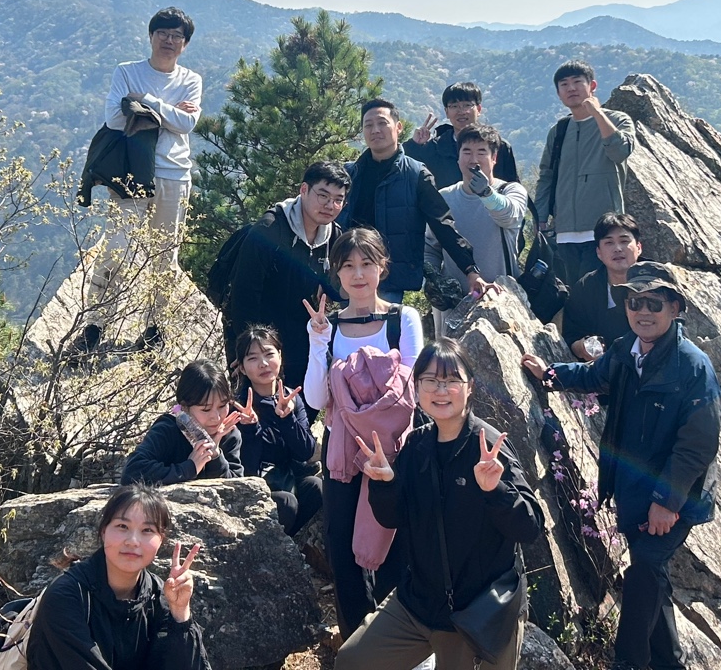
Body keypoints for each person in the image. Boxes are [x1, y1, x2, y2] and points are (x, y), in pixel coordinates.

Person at [521, 262, 721, 670]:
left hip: (674, 496)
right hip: (632, 490)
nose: (642, 311)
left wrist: (666, 501)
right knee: (651, 575)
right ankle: (669, 663)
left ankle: (627, 662)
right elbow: (594, 375)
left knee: (644, 569)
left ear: (675, 308)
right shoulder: (627, 349)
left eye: (653, 303)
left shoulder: (692, 366)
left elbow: (697, 444)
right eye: (634, 302)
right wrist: (551, 375)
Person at [337, 339, 543, 670]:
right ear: (417, 387)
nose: (441, 390)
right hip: (417, 603)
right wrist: (385, 484)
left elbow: (530, 527)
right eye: (430, 380)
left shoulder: (487, 447)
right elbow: (393, 518)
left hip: (475, 614)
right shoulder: (417, 445)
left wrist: (495, 491)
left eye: (451, 380)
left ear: (470, 387)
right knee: (353, 661)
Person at [304, 227, 421, 638]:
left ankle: (397, 638)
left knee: (394, 539)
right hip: (342, 450)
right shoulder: (329, 325)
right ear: (336, 272)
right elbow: (316, 397)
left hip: (394, 448)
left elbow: (411, 389)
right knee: (340, 542)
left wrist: (354, 403)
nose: (358, 274)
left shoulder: (402, 319)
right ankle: (357, 640)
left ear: (382, 267)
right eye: (348, 265)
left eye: (366, 263)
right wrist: (318, 341)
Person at [26, 483, 213, 670]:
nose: (133, 541)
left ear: (160, 540)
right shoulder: (67, 595)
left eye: (147, 530)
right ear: (103, 531)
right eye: (122, 526)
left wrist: (180, 612)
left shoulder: (158, 596)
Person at [99, 8, 202, 339]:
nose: (169, 40)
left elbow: (187, 123)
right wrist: (169, 113)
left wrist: (144, 102)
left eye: (176, 36)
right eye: (163, 33)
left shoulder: (190, 80)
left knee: (164, 256)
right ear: (151, 36)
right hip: (131, 171)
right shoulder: (127, 72)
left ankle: (156, 328)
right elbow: (115, 119)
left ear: (185, 44)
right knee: (116, 250)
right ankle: (96, 324)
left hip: (174, 174)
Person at [339, 98, 488, 303]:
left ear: (398, 127)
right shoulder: (350, 174)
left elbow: (442, 224)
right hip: (349, 277)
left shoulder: (415, 174)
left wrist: (470, 270)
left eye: (382, 123)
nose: (375, 130)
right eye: (368, 125)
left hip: (389, 279)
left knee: (385, 324)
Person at [222, 161, 349, 388]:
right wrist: (247, 352)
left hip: (302, 343)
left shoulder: (333, 237)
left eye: (338, 199)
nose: (330, 205)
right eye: (323, 196)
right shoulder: (269, 230)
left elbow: (339, 289)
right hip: (262, 347)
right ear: (304, 190)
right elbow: (244, 296)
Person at [532, 61, 636, 287]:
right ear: (558, 93)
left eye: (577, 81)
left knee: (603, 293)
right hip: (564, 233)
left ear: (592, 86)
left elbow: (620, 151)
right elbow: (547, 176)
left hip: (604, 230)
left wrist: (597, 113)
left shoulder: (617, 120)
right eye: (564, 84)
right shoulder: (559, 131)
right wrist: (540, 216)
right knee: (575, 296)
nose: (571, 88)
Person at [424, 124, 528, 334]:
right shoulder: (444, 198)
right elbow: (430, 247)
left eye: (481, 152)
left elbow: (509, 216)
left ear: (494, 158)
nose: (473, 159)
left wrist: (486, 194)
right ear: (458, 157)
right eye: (467, 152)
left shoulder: (511, 190)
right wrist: (435, 280)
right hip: (454, 307)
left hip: (503, 301)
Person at [231, 324, 323, 537]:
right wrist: (250, 428)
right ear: (242, 368)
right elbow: (247, 468)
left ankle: (284, 542)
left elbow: (306, 452)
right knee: (286, 502)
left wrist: (287, 418)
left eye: (269, 354)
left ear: (280, 356)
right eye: (252, 358)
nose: (263, 364)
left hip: (286, 478)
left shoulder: (292, 399)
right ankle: (270, 546)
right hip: (255, 487)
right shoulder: (238, 407)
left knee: (316, 487)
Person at [121, 360, 245, 486]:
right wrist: (189, 468)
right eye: (206, 409)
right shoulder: (168, 430)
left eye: (222, 406)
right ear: (184, 407)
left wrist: (215, 457)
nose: (216, 417)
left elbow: (239, 487)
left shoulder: (229, 434)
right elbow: (132, 472)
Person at [557, 212, 645, 361]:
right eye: (609, 243)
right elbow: (571, 336)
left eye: (624, 241)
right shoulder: (586, 287)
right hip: (602, 368)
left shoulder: (657, 283)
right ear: (598, 252)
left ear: (639, 247)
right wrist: (582, 348)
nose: (617, 248)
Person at [404, 82, 520, 188]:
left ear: (479, 109)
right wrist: (413, 145)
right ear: (446, 112)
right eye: (454, 106)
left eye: (467, 105)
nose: (461, 111)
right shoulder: (435, 148)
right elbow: (404, 171)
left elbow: (513, 188)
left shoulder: (499, 146)